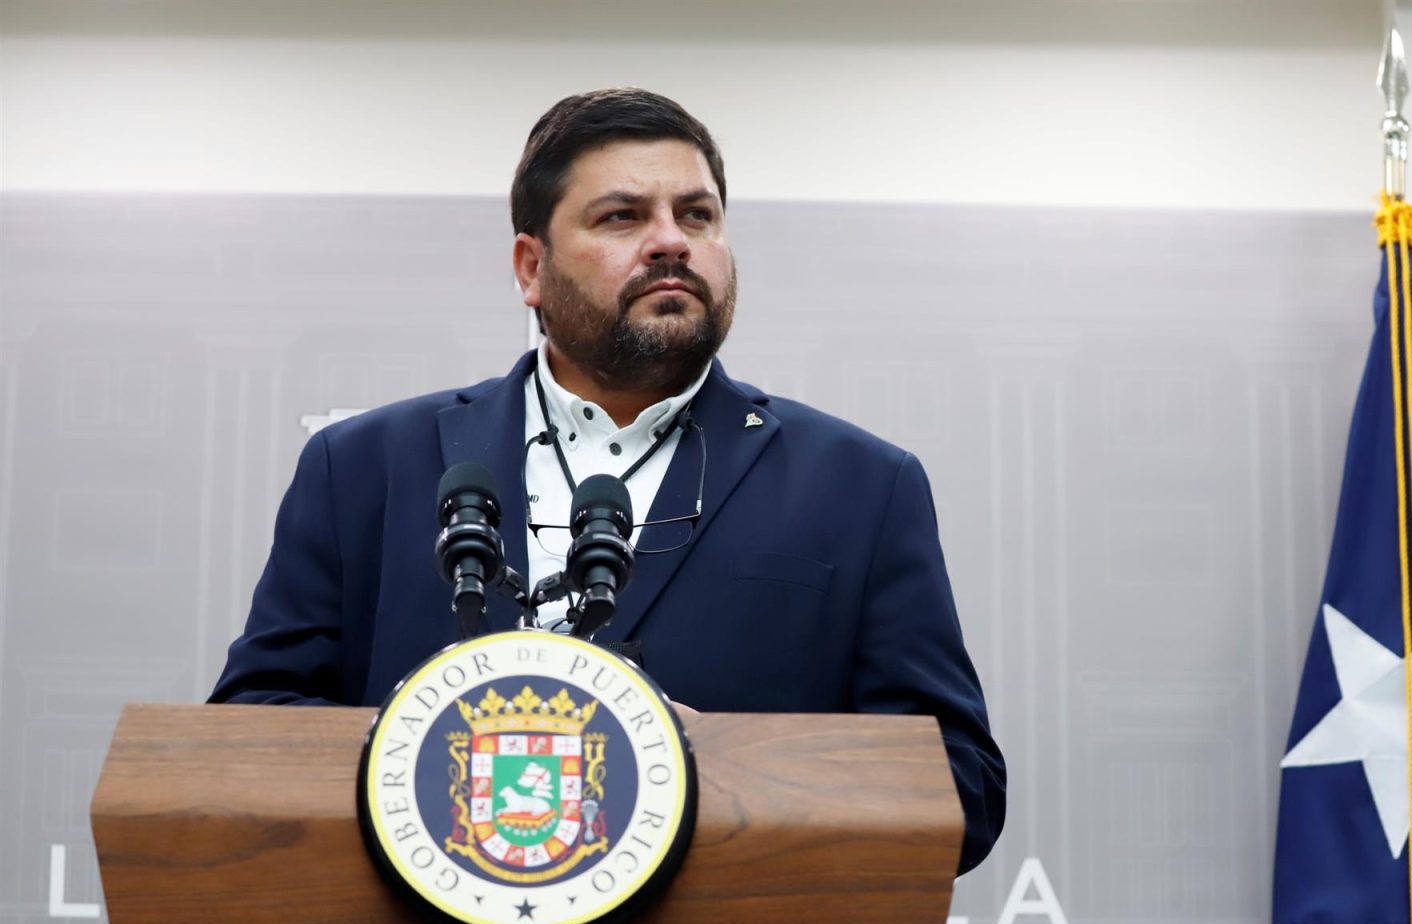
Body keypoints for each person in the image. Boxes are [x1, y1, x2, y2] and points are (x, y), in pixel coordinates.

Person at [211, 88, 1005, 874]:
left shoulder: (862, 486)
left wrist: (725, 764)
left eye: (696, 215)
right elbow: (248, 739)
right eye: (622, 217)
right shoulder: (363, 467)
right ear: (531, 267)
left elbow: (959, 788)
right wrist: (429, 753)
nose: (671, 243)